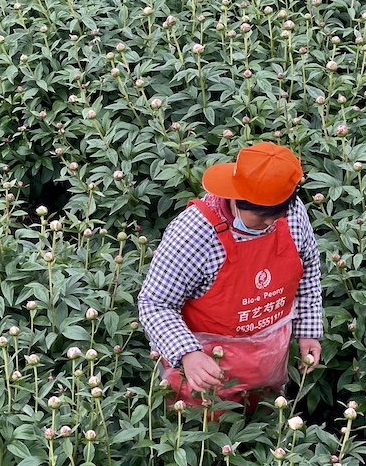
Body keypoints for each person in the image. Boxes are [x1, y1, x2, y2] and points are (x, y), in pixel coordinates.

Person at [138, 142, 322, 411]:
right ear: (235, 198)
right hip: (206, 373)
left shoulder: (292, 214)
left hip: (269, 368)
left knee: (266, 421)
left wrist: (308, 332)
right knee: (203, 434)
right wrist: (188, 354)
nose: (268, 227)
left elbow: (308, 273)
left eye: (276, 218)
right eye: (259, 221)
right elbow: (155, 303)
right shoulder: (193, 233)